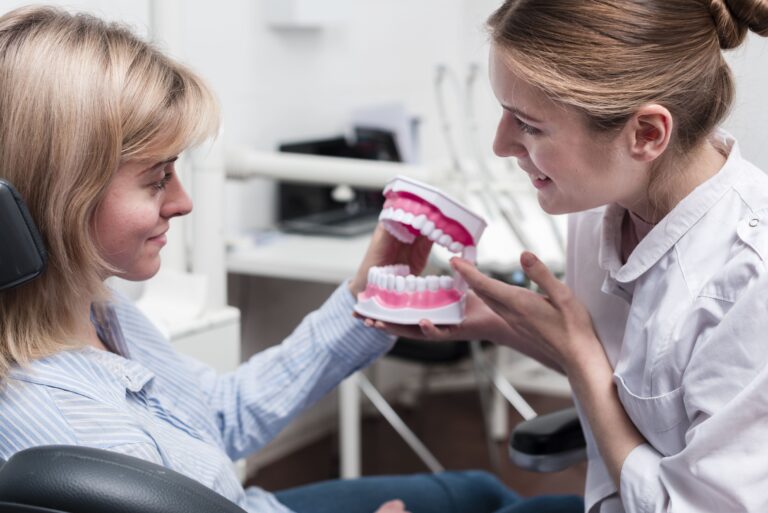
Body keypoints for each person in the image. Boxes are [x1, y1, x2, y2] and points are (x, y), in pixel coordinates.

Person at [0, 6, 584, 513]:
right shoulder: (67, 428)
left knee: (480, 493)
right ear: (59, 194)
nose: (182, 202)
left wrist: (365, 297)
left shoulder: (94, 312)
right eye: (156, 180)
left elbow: (220, 417)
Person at [373, 0, 768, 512]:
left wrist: (579, 355)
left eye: (529, 125)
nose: (499, 144)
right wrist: (499, 322)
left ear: (646, 134)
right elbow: (639, 377)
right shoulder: (602, 204)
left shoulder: (749, 282)